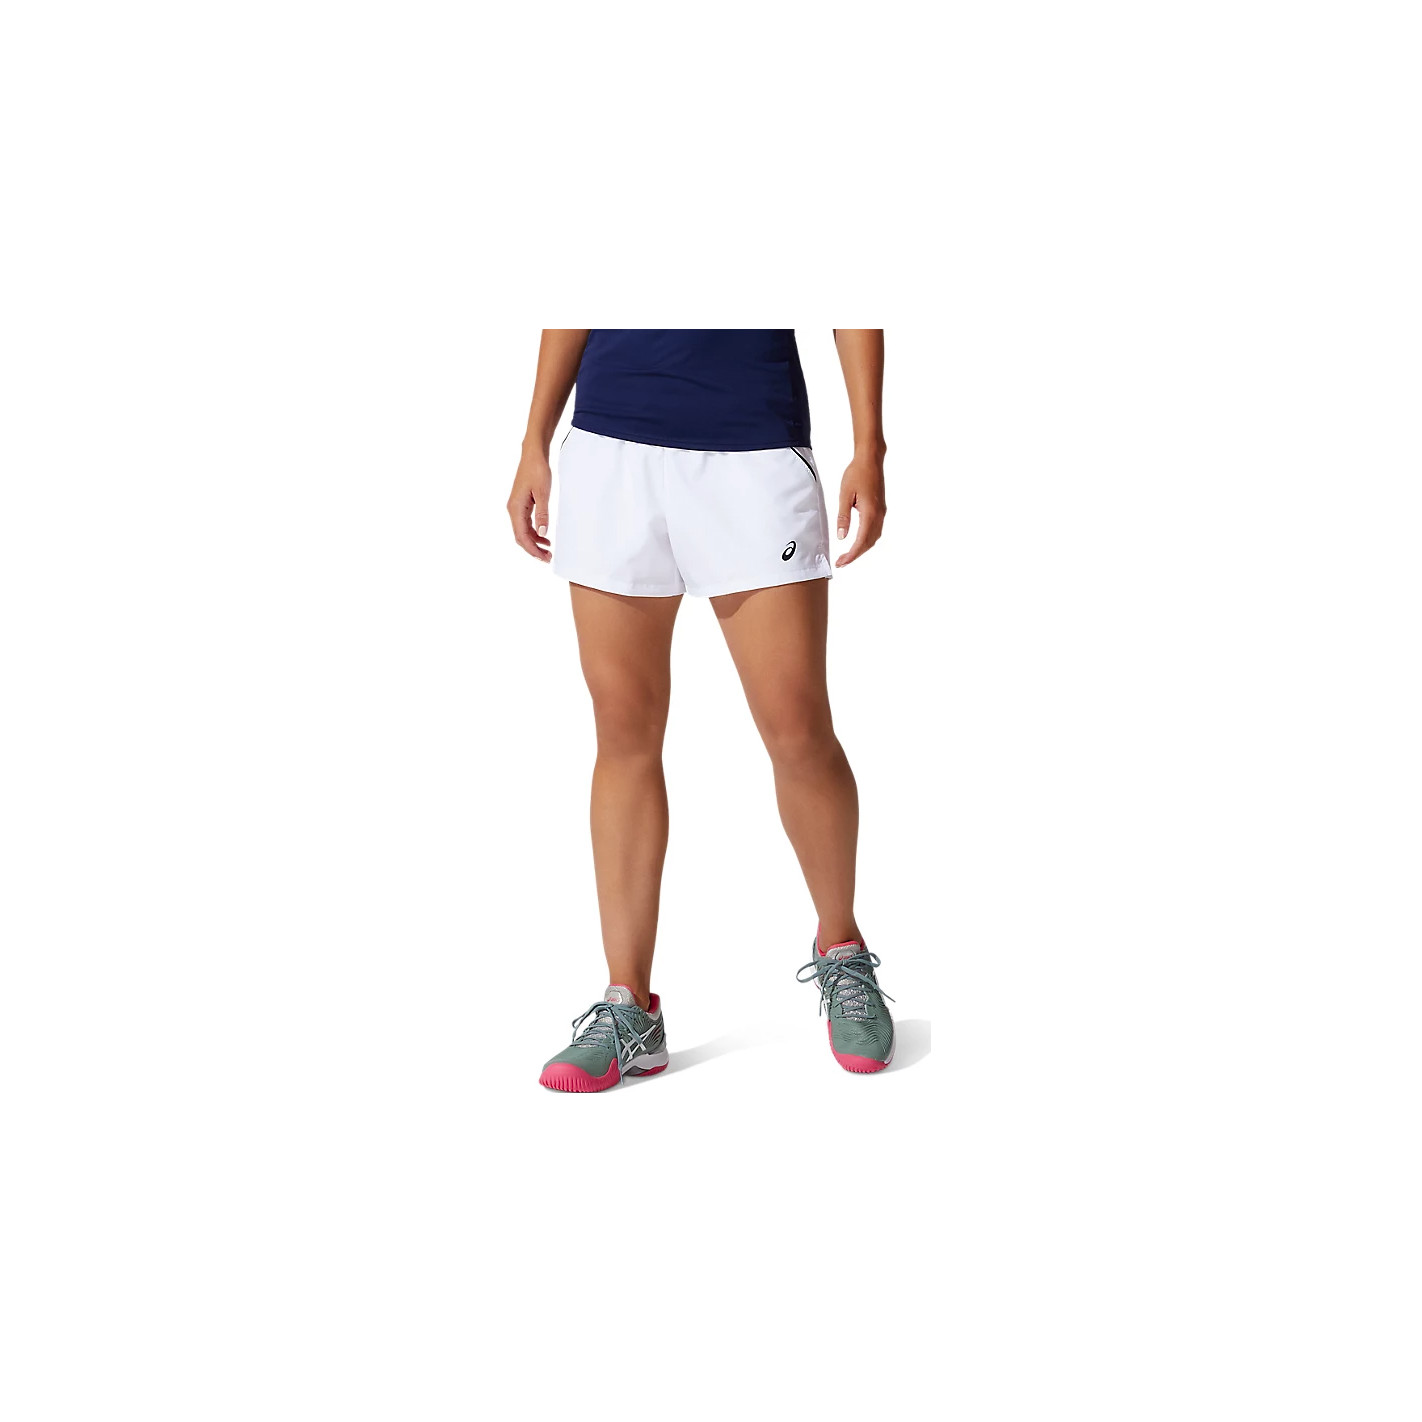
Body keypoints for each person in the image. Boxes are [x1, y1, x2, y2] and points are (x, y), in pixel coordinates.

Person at [507, 330, 895, 1092]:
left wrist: (869, 445)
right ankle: (629, 1007)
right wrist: (533, 439)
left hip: (753, 444)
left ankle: (843, 951)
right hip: (611, 447)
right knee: (623, 728)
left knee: (796, 724)